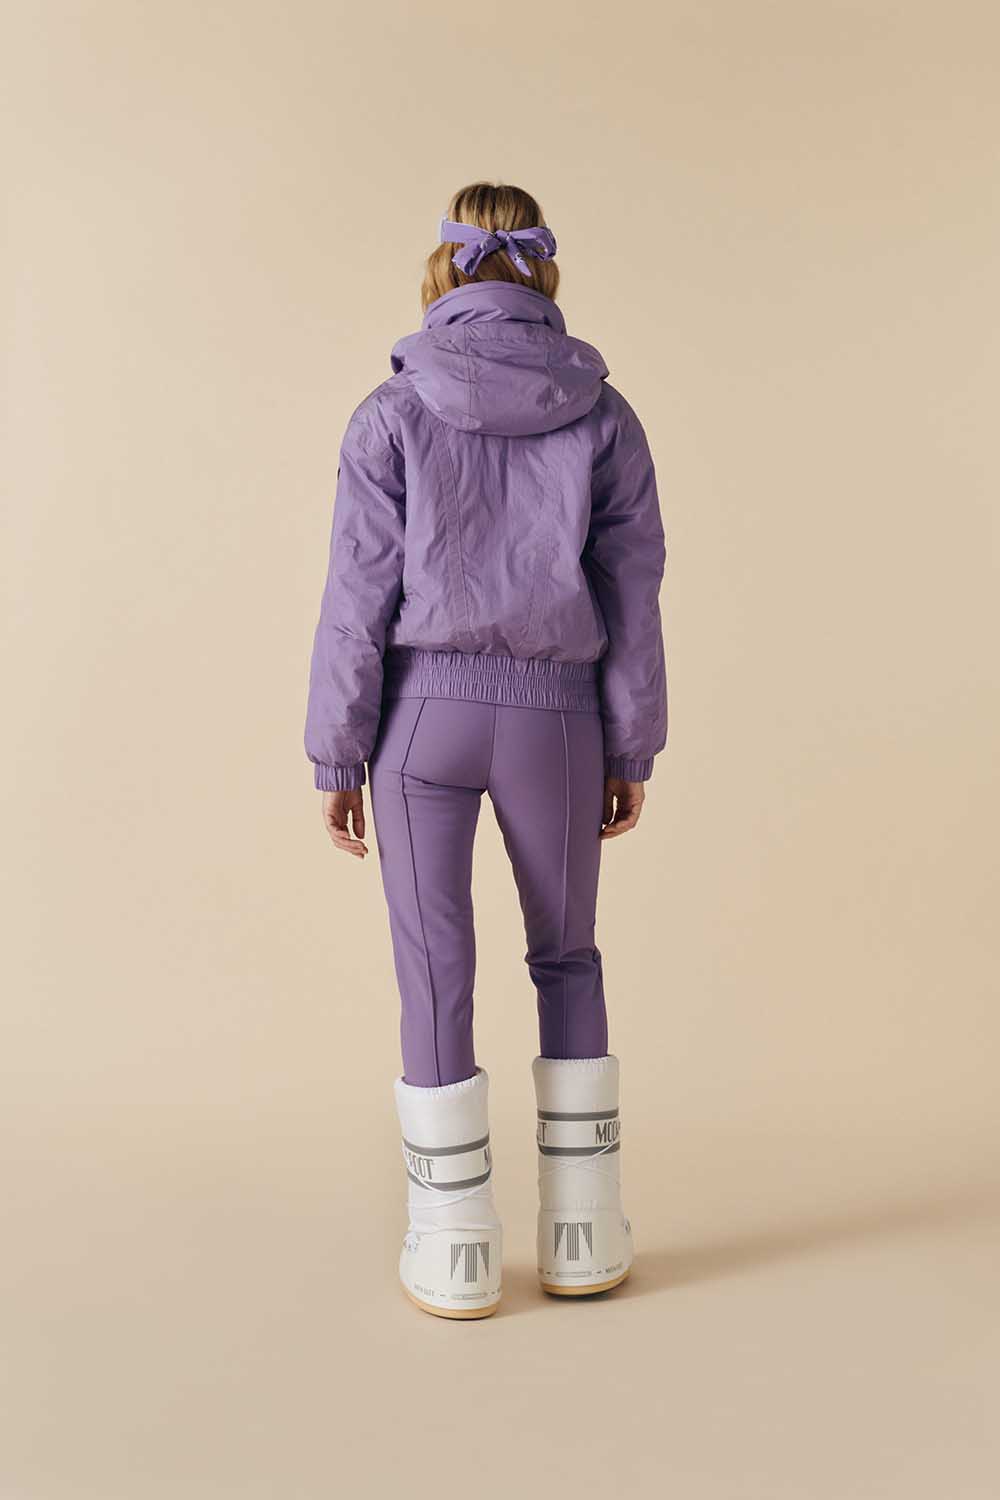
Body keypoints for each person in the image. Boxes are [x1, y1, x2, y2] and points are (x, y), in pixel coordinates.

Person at [305, 182, 667, 1319]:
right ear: (540, 270)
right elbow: (633, 587)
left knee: (433, 966)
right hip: (557, 721)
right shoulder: (604, 414)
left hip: (421, 721)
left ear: (446, 270)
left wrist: (337, 753)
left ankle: (453, 1244)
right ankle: (583, 1232)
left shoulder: (388, 412)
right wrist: (632, 743)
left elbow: (357, 594)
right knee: (567, 957)